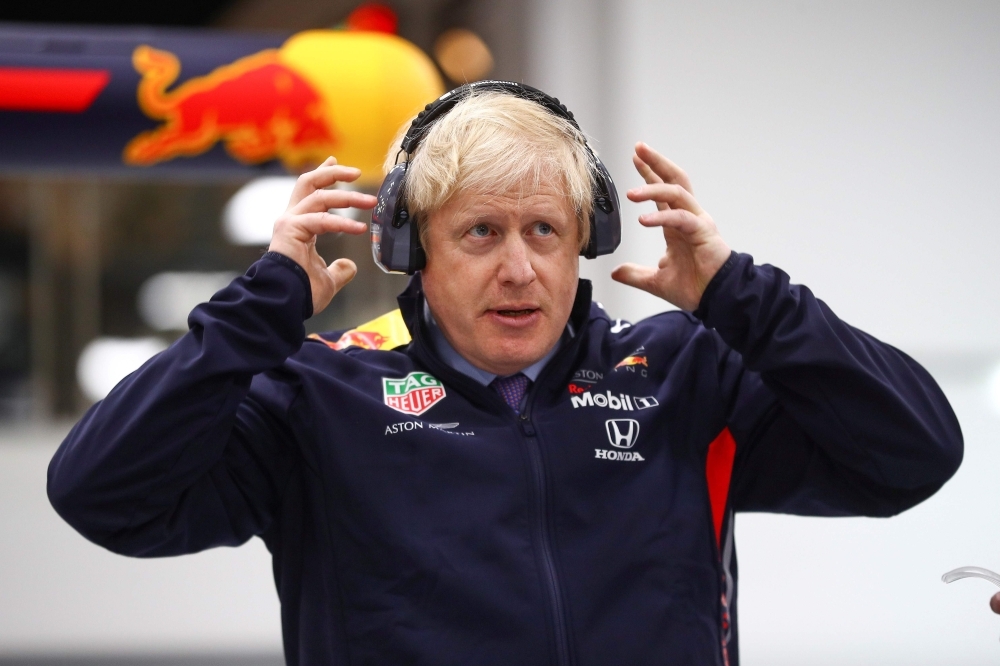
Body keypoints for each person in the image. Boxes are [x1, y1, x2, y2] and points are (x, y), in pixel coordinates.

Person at [48, 84, 963, 666]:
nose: (520, 269)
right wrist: (259, 310)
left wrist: (740, 295)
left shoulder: (684, 374)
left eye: (545, 231)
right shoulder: (317, 394)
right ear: (416, 252)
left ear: (585, 245)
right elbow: (101, 493)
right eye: (481, 232)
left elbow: (914, 453)